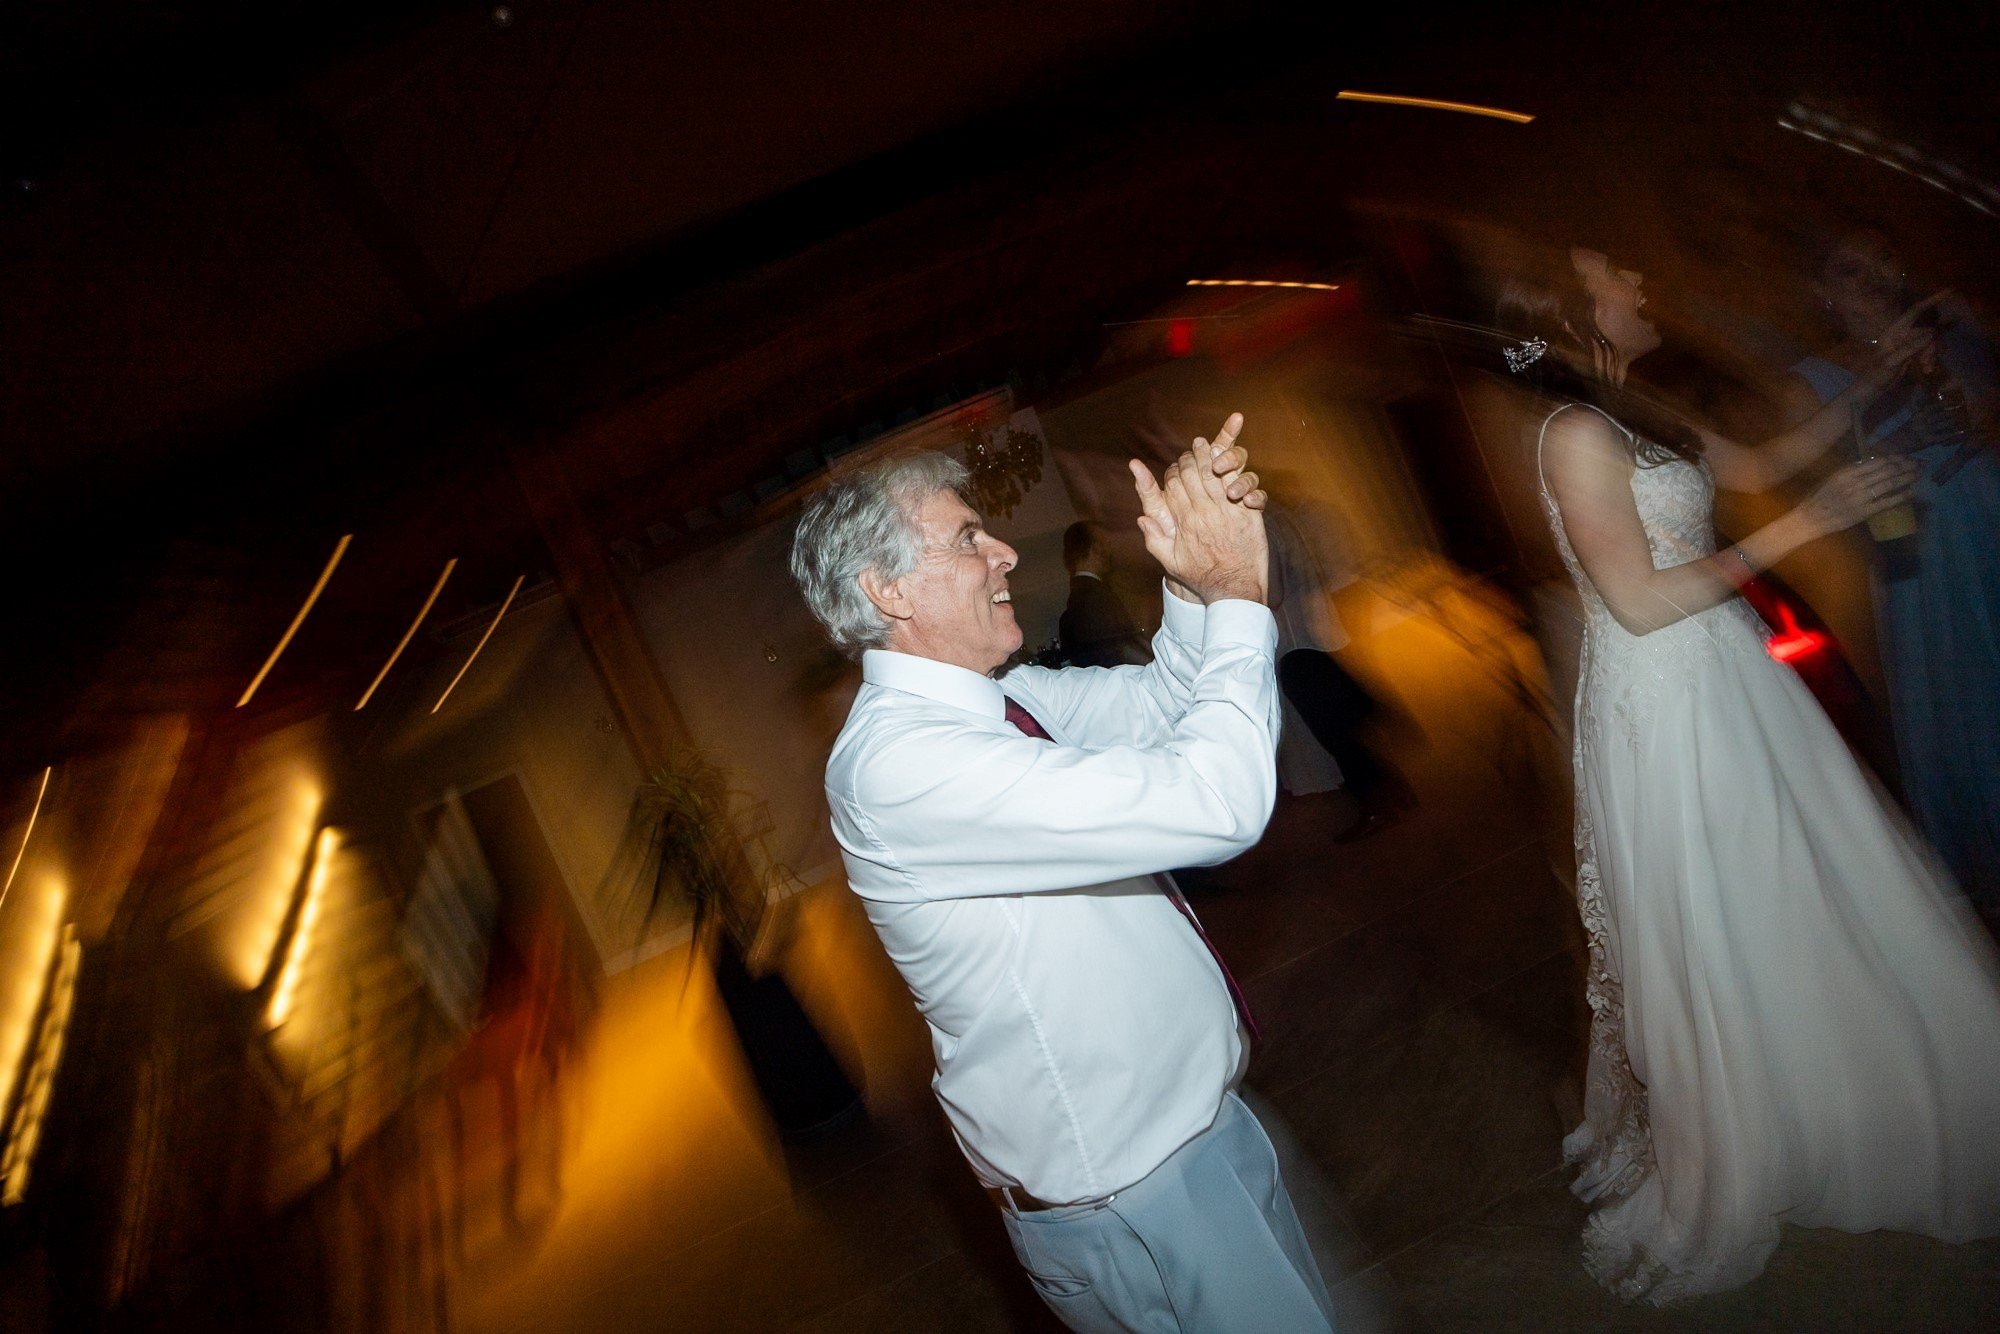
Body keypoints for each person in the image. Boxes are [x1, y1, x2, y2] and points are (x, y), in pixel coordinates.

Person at [1498, 244, 2000, 1304]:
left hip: (1724, 673)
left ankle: (1844, 1077)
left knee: (1802, 879)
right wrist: (1811, 523)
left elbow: (1761, 464)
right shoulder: (1575, 432)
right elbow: (1636, 601)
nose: (1640, 284)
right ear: (1574, 310)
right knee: (1732, 904)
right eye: (1615, 275)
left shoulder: (1631, 406)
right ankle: (1774, 1117)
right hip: (1666, 699)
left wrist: (1874, 382)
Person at [790, 418, 1337, 1333]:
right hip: (1138, 1189)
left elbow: (1167, 707)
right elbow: (1219, 804)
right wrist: (1239, 594)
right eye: (967, 537)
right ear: (889, 589)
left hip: (1185, 1138)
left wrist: (1191, 584)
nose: (1004, 551)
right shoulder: (899, 768)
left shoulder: (1000, 702)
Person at [1777, 231, 2000, 923]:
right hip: (1923, 562)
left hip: (1992, 517)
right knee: (1970, 708)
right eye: (1852, 267)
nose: (1874, 276)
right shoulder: (1811, 381)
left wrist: (1971, 417)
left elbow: (1990, 413)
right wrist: (1906, 439)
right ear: (1824, 294)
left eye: (1883, 260)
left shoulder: (1950, 336)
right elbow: (1817, 494)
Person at [1057, 520, 1152, 667]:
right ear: (1095, 549)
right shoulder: (1094, 597)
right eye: (1105, 543)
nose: (1110, 549)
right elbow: (1122, 648)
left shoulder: (1079, 597)